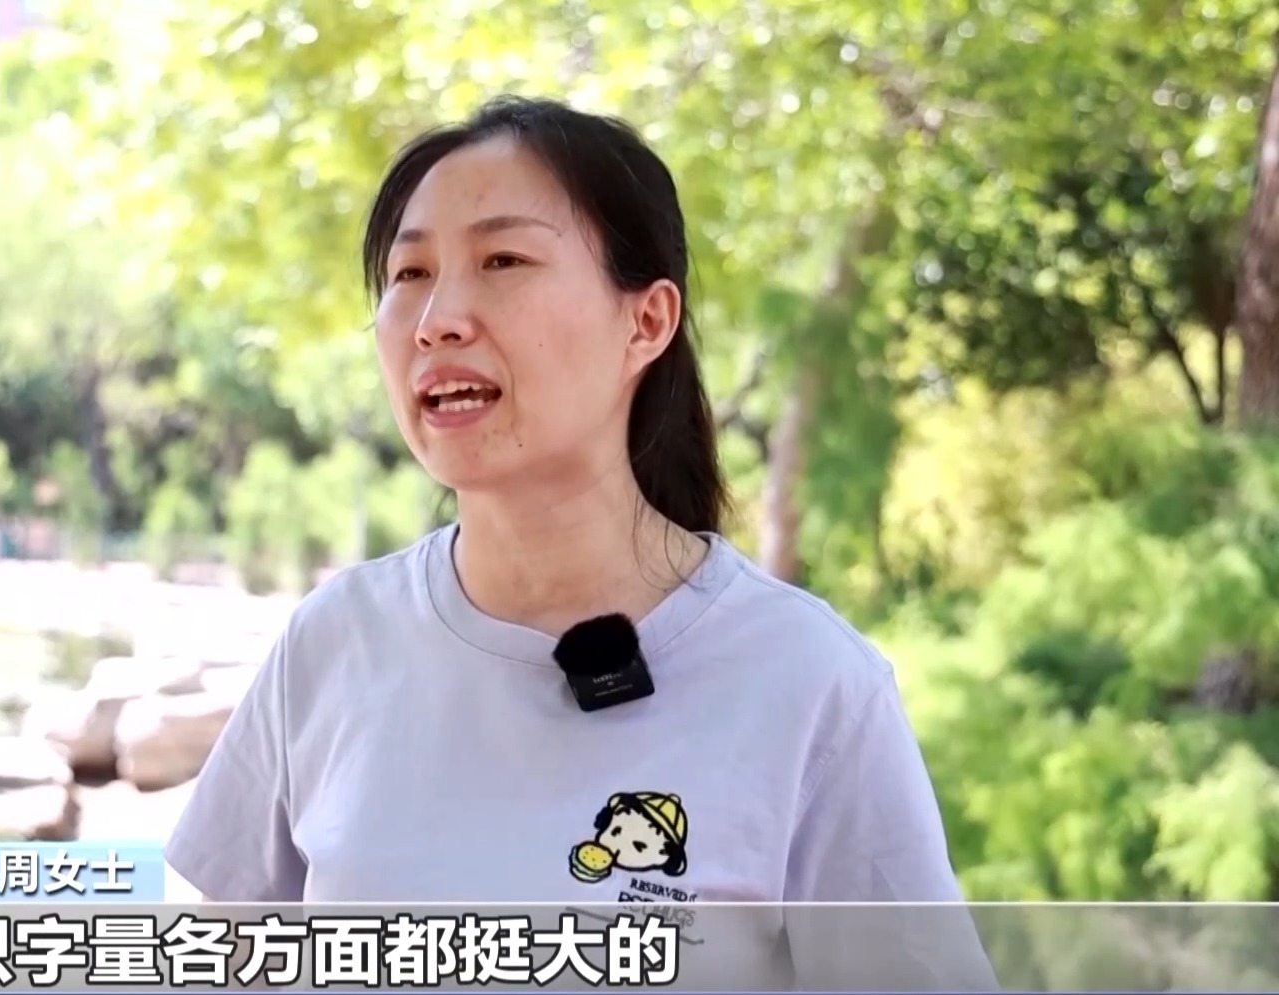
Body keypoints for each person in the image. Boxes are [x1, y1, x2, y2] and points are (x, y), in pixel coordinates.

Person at [165, 96, 998, 990]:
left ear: (647, 321)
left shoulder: (809, 683)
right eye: (410, 273)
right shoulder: (333, 643)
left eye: (503, 260)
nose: (438, 318)